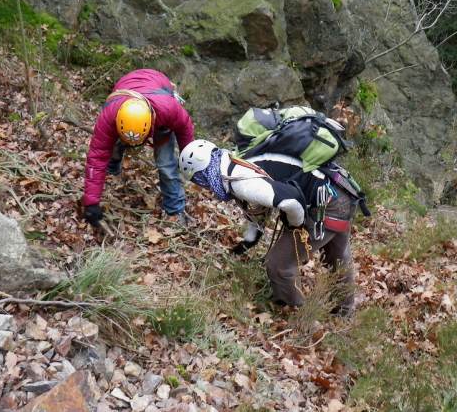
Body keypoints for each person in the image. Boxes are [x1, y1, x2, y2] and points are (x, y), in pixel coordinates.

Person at [179, 139, 361, 316]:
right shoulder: (235, 161)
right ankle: (345, 310)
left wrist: (296, 225)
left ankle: (296, 314)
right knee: (337, 255)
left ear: (203, 174)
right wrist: (248, 242)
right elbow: (258, 209)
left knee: (279, 266)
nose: (204, 187)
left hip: (327, 202)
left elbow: (291, 201)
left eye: (200, 180)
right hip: (339, 187)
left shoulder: (240, 181)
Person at [83, 69, 194, 229]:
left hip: (158, 89)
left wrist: (189, 161)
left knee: (165, 163)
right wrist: (91, 202)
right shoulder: (110, 115)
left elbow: (186, 132)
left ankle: (175, 209)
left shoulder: (168, 109)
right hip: (125, 89)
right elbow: (97, 156)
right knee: (112, 144)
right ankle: (112, 168)